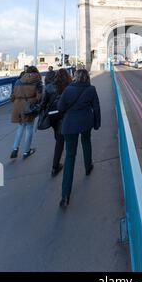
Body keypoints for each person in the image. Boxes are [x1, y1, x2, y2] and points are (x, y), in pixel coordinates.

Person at [57, 69, 101, 208]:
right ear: (87, 77)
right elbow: (97, 108)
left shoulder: (68, 89)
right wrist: (97, 123)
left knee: (70, 156)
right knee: (86, 143)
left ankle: (65, 195)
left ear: (75, 77)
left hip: (70, 125)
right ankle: (88, 167)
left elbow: (60, 107)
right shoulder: (91, 89)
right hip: (86, 122)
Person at [41, 68, 72, 177]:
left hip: (52, 116)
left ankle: (56, 165)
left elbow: (43, 104)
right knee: (61, 140)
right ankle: (55, 167)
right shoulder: (69, 86)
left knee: (58, 137)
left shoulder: (49, 87)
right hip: (64, 115)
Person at [10, 66, 43, 159]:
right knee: (29, 128)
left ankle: (15, 148)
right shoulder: (38, 82)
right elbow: (39, 97)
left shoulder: (18, 81)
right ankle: (26, 151)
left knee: (20, 127)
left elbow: (12, 96)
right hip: (28, 107)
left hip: (18, 107)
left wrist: (17, 102)